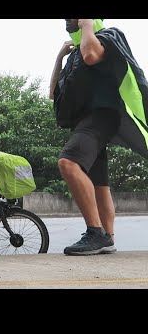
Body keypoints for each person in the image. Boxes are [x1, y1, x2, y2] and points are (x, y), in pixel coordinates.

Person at [49, 19, 148, 256]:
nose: (67, 20)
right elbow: (54, 93)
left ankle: (95, 233)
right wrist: (60, 57)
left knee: (68, 162)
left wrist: (87, 25)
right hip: (84, 121)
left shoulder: (106, 36)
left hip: (103, 114)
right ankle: (108, 238)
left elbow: (92, 55)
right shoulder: (75, 56)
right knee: (98, 184)